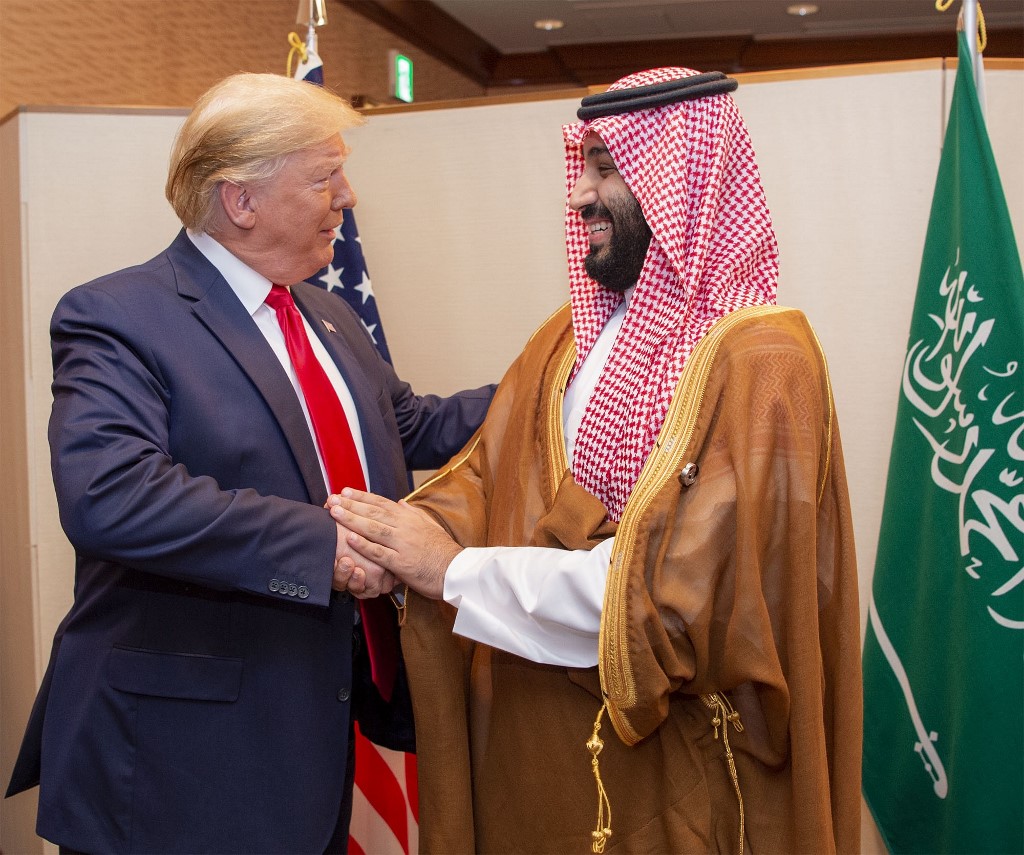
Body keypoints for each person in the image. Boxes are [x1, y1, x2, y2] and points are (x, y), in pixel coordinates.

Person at [328, 67, 862, 854]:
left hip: (686, 783)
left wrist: (450, 572)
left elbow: (678, 601)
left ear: (680, 178)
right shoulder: (569, 338)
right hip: (544, 767)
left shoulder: (763, 366)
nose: (578, 196)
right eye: (581, 165)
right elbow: (491, 474)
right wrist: (391, 542)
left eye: (606, 168)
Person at [4, 72, 493, 853]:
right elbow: (111, 495)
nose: (349, 195)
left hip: (311, 741)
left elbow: (415, 424)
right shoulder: (118, 316)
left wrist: (563, 382)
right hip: (177, 768)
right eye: (325, 175)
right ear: (241, 199)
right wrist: (322, 548)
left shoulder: (324, 312)